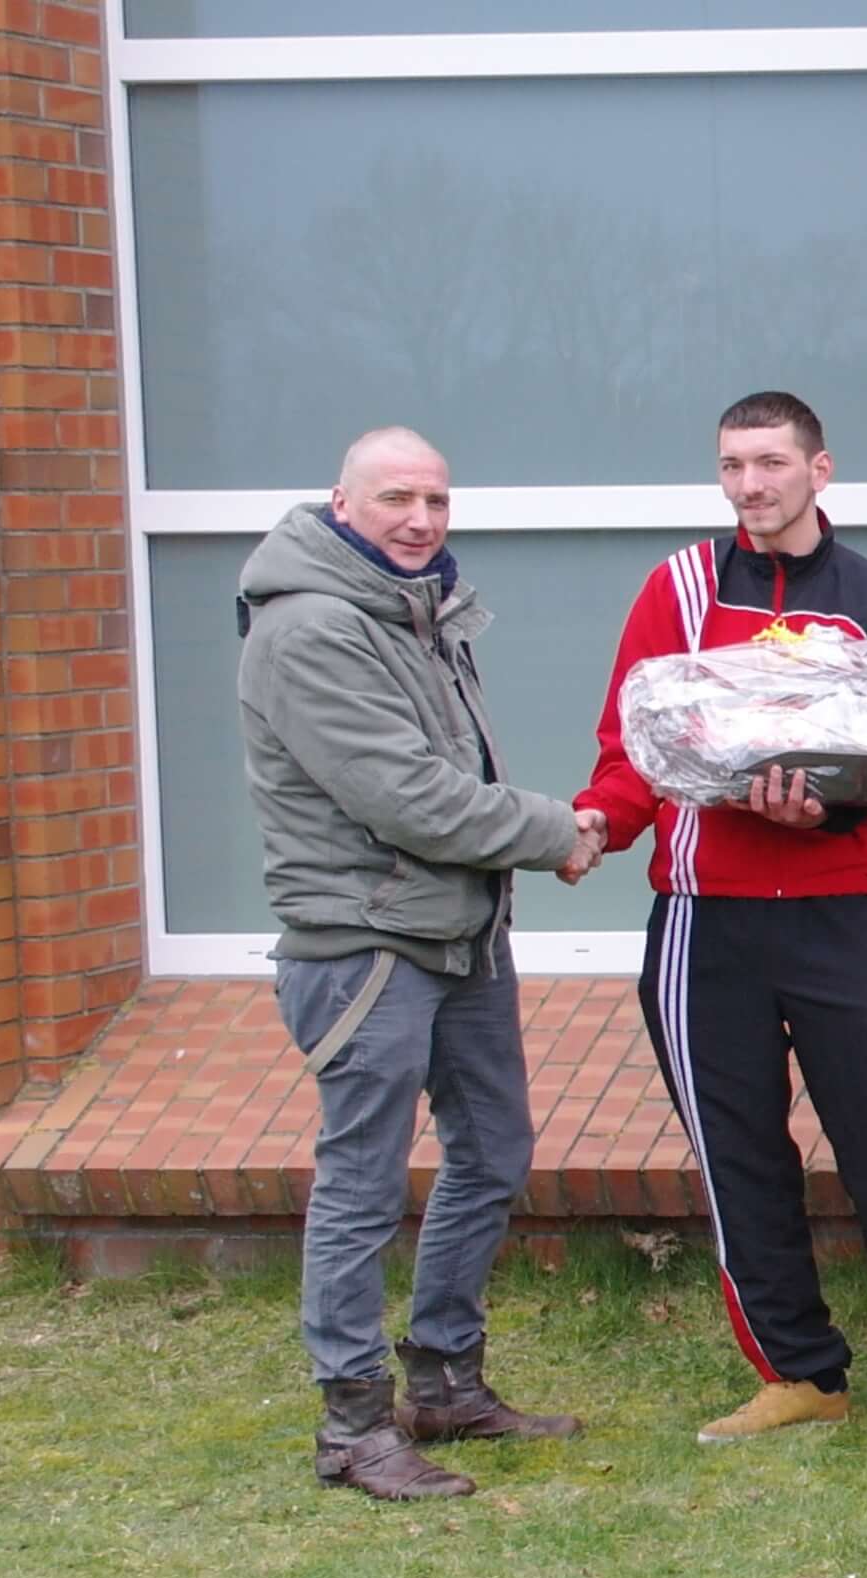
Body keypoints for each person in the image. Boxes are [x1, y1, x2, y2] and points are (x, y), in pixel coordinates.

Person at [577, 393, 867, 1453]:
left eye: (770, 463)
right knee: (739, 1155)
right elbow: (632, 741)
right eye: (732, 465)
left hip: (838, 914)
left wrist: (835, 803)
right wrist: (602, 823)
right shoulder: (678, 587)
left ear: (821, 471)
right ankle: (800, 1371)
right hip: (701, 923)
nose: (749, 485)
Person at [239, 427, 597, 1501]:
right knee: (361, 1179)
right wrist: (552, 829)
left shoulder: (419, 609)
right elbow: (405, 796)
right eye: (396, 497)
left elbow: (446, 775)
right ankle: (353, 1424)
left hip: (456, 933)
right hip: (366, 945)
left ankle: (444, 1379)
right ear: (341, 504)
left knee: (492, 1149)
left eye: (436, 499)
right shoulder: (310, 629)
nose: (420, 519)